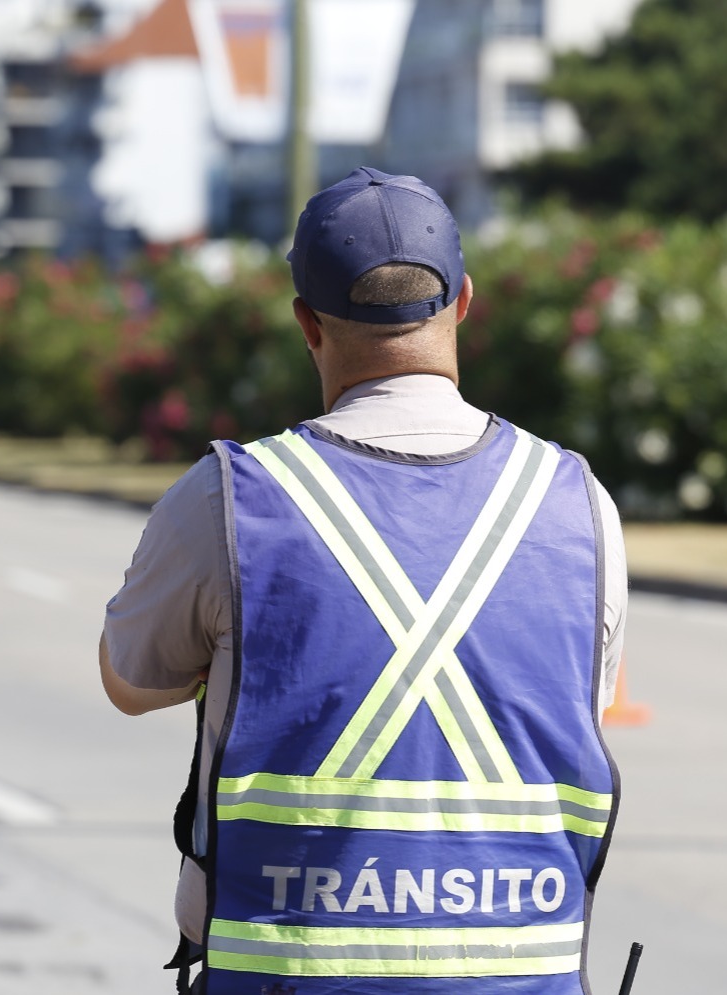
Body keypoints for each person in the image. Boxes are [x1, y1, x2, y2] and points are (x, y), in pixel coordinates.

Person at [101, 167, 628, 994]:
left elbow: (131, 680)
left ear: (306, 322)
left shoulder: (229, 499)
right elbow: (580, 699)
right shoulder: (577, 501)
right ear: (463, 303)